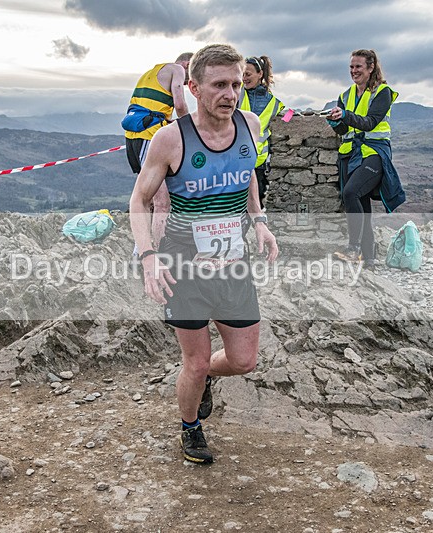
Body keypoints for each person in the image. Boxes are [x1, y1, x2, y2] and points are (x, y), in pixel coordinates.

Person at [129, 44, 279, 464]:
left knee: (244, 360)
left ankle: (207, 377)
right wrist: (148, 256)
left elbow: (246, 171)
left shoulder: (249, 124)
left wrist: (261, 221)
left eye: (236, 84)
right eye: (219, 85)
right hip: (183, 260)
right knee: (193, 362)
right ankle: (190, 428)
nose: (230, 93)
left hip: (231, 258)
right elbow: (139, 200)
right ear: (194, 87)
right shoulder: (171, 139)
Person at [326, 49, 405, 268]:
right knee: (361, 202)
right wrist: (335, 121)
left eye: (358, 66)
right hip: (351, 153)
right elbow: (344, 128)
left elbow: (370, 122)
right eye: (351, 67)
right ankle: (368, 258)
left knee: (350, 192)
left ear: (371, 68)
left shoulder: (383, 92)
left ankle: (353, 249)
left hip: (373, 152)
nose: (354, 71)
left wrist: (345, 116)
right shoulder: (345, 95)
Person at [123, 52, 192, 249]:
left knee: (145, 199)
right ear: (187, 64)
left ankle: (140, 251)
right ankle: (160, 254)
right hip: (149, 137)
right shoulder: (177, 69)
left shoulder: (150, 73)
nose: (187, 84)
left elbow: (153, 108)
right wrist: (190, 130)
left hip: (133, 140)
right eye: (190, 79)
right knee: (162, 203)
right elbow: (179, 104)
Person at [238, 55, 286, 208]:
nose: (244, 78)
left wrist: (303, 114)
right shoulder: (236, 94)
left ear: (260, 74)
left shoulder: (273, 102)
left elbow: (288, 115)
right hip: (235, 158)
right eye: (242, 74)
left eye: (248, 74)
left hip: (258, 161)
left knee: (255, 204)